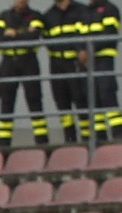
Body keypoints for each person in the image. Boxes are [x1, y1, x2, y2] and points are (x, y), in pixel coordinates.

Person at [0, 1, 50, 147]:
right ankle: (3, 144)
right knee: (6, 103)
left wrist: (13, 34)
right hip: (8, 64)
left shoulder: (36, 16)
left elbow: (33, 38)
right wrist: (25, 33)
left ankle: (42, 142)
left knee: (35, 101)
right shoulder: (3, 16)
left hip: (28, 63)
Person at [45, 0, 92, 143]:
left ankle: (87, 139)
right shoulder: (48, 15)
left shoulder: (81, 10)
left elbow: (87, 34)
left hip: (76, 63)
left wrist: (83, 49)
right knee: (62, 102)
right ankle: (69, 139)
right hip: (56, 65)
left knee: (81, 101)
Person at [87, 0, 121, 140]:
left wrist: (88, 49)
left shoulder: (109, 8)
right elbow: (80, 33)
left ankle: (118, 133)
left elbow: (109, 33)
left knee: (107, 93)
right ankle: (100, 136)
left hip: (104, 59)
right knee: (93, 97)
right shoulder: (87, 10)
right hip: (89, 61)